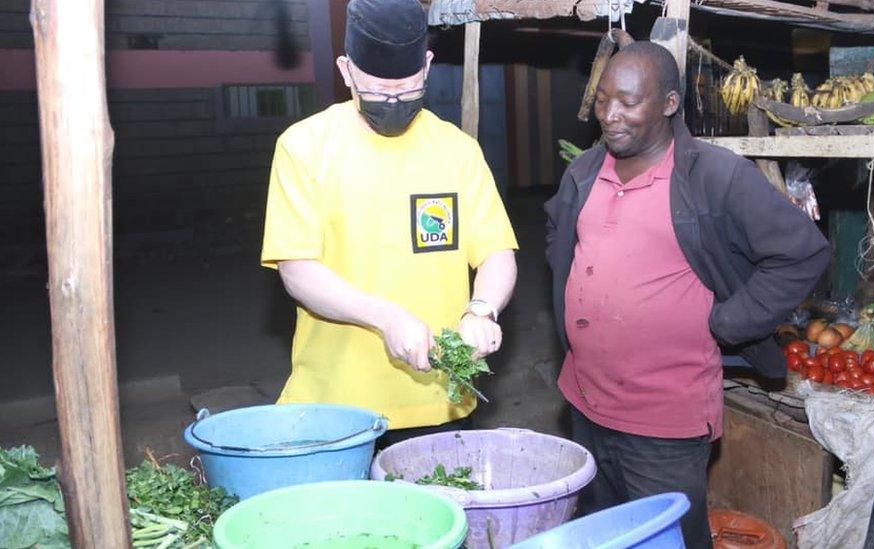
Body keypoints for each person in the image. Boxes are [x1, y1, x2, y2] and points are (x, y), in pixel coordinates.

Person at [544, 42, 830, 548]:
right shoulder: (585, 172)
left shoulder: (716, 177)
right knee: (600, 534)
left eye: (628, 102)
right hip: (584, 402)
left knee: (666, 539)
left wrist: (728, 322)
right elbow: (558, 234)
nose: (610, 115)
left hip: (664, 420)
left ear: (669, 105)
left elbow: (802, 253)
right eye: (604, 99)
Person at [261, 0, 518, 447]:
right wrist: (386, 318)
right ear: (346, 71)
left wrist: (481, 310)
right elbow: (297, 270)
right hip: (338, 407)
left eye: (407, 89)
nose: (394, 103)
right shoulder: (304, 147)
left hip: (440, 400)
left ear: (427, 66)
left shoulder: (457, 150)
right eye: (379, 91)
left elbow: (497, 252)